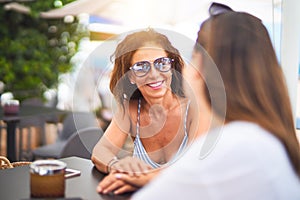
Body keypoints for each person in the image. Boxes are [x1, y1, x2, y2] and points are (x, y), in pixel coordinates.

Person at [117, 3, 300, 199]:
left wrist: (145, 176)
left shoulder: (232, 148)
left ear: (200, 67)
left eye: (191, 59)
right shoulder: (265, 139)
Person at [91, 29, 201, 194]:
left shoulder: (194, 110)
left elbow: (195, 168)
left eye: (161, 63)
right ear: (131, 76)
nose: (154, 74)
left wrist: (142, 178)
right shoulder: (130, 110)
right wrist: (116, 166)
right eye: (141, 67)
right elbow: (100, 151)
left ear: (171, 67)